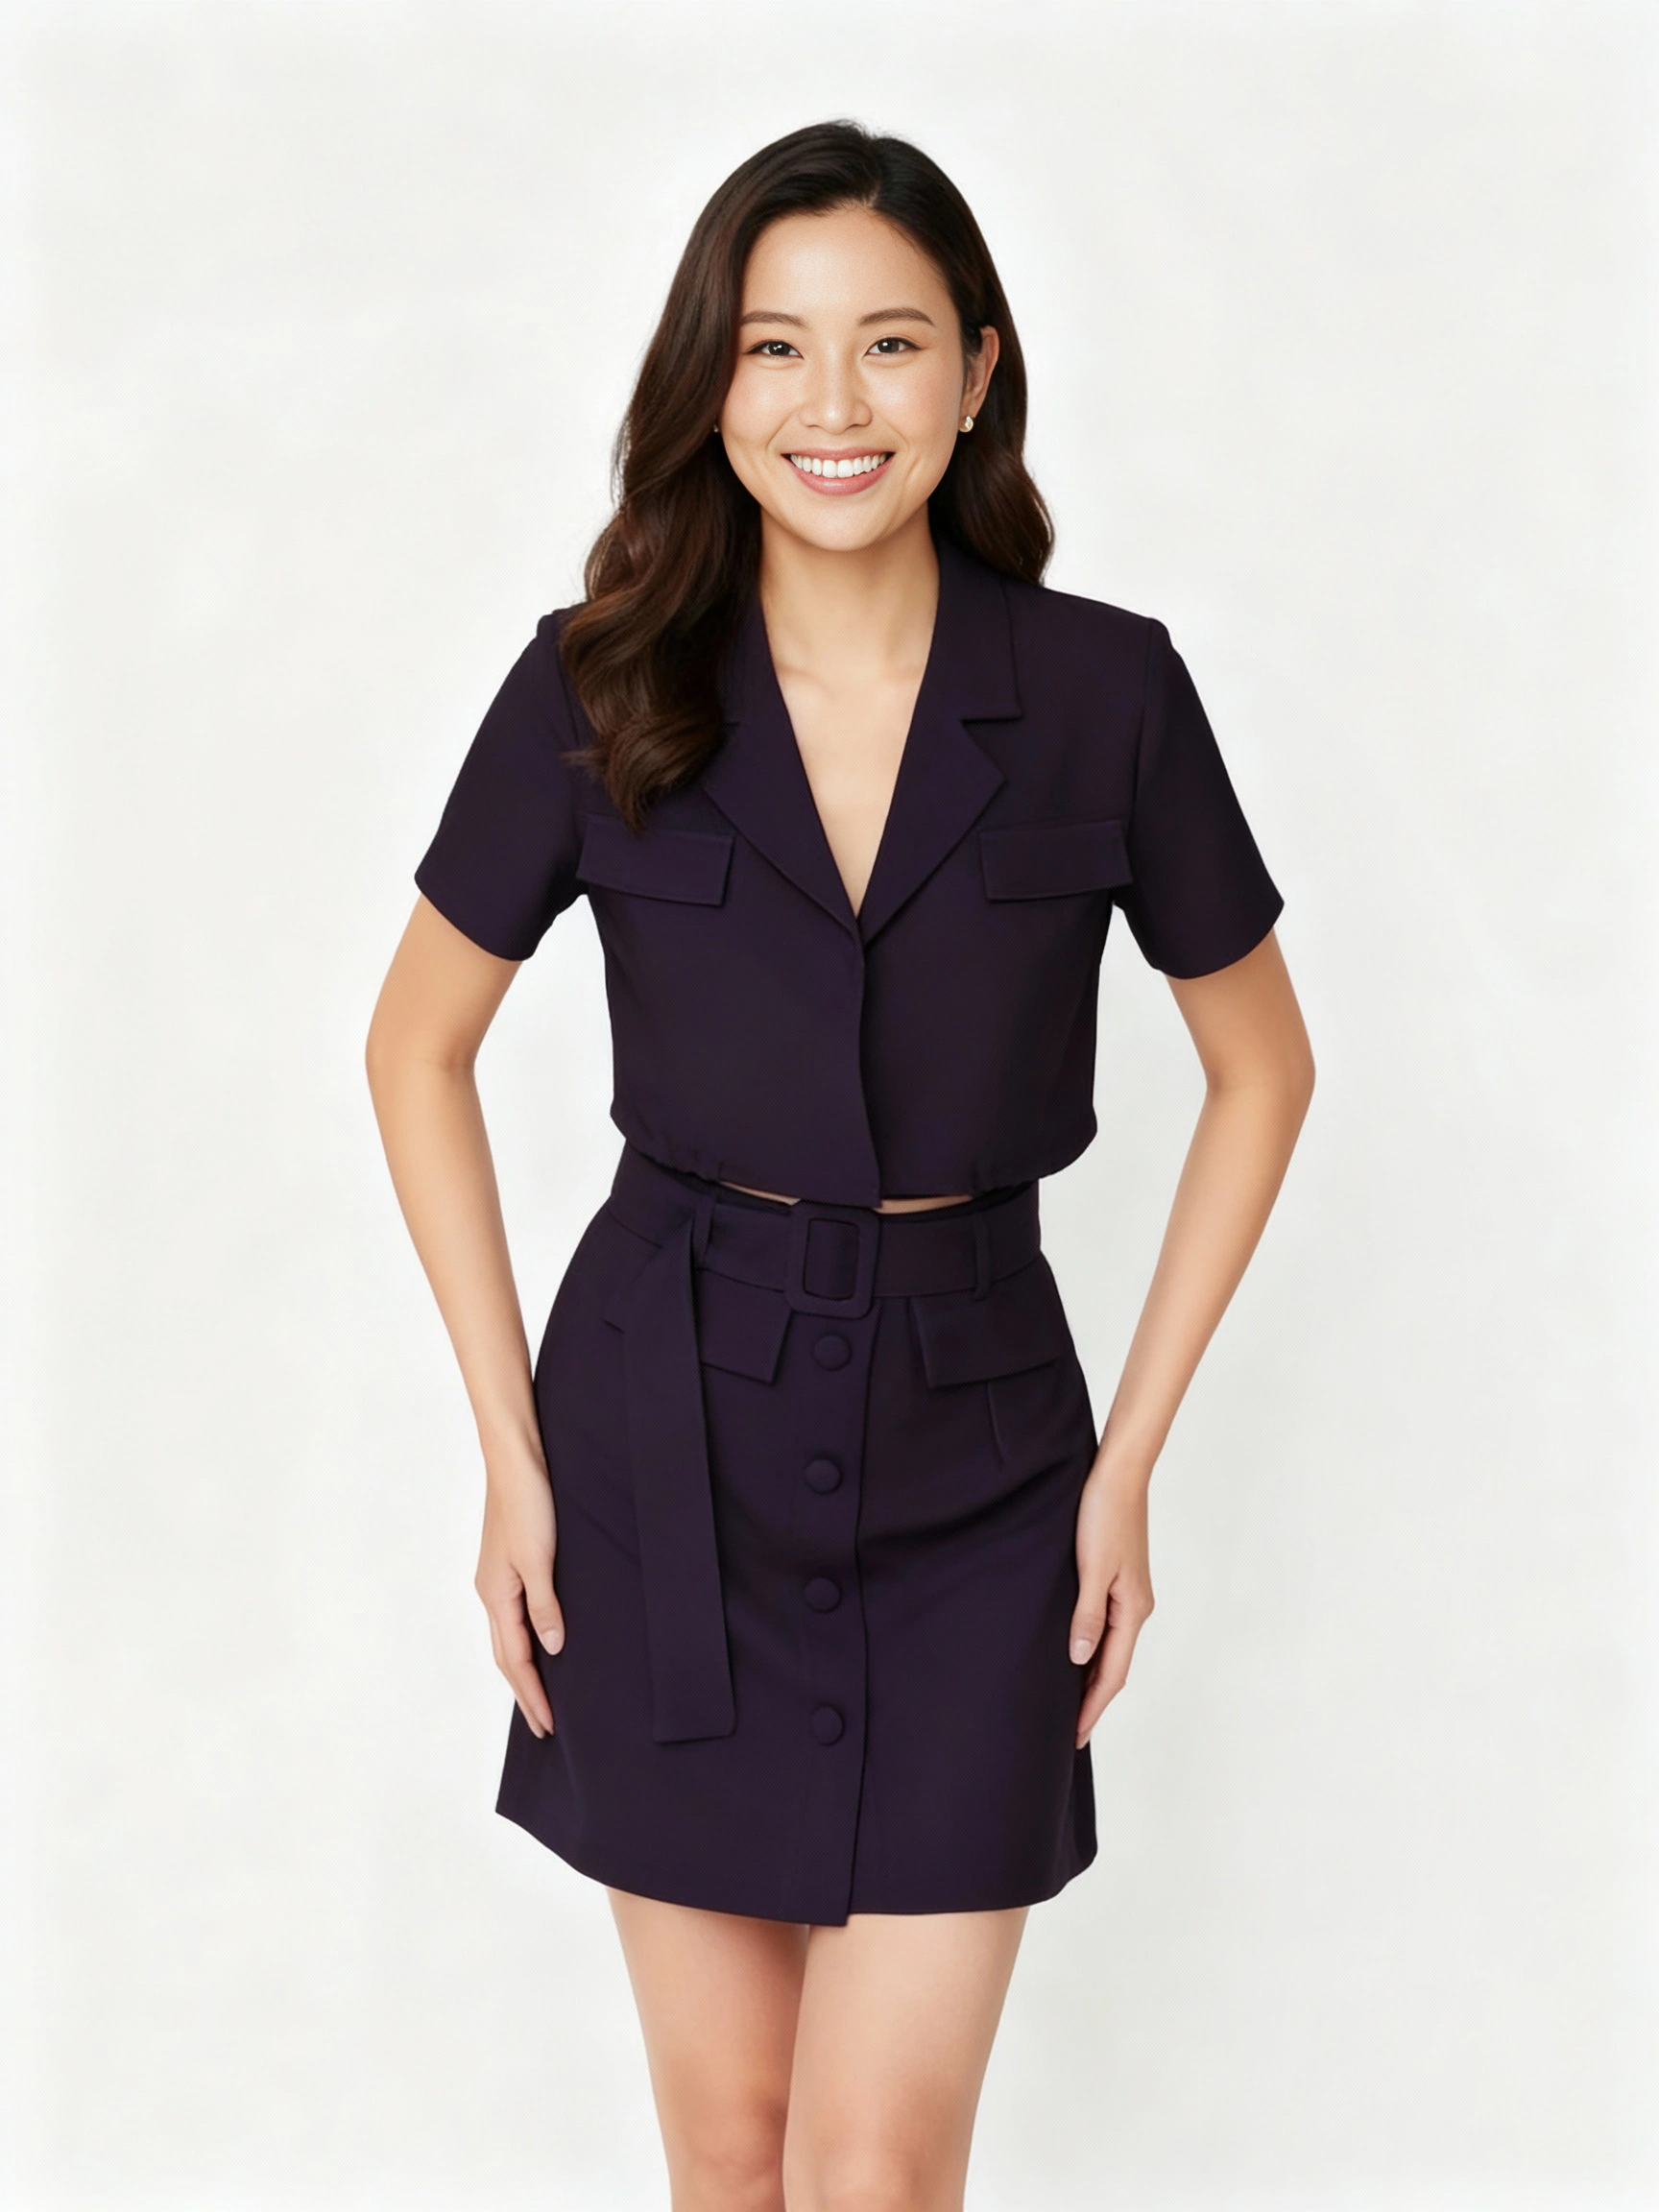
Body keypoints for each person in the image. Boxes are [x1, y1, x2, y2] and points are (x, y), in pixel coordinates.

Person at [367, 120, 1313, 2212]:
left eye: (890, 342)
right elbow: (413, 1046)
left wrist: (1128, 1460)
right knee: (731, 2155)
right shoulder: (599, 685)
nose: (834, 403)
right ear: (712, 383)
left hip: (985, 1463)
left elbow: (1262, 1068)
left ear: (977, 372)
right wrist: (513, 1451)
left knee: (875, 2167)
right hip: (663, 1450)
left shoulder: (1106, 693)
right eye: (776, 346)